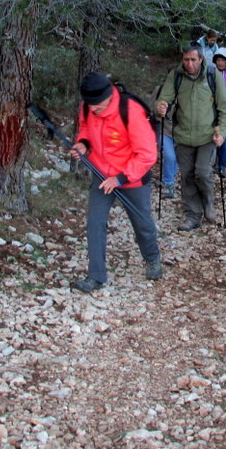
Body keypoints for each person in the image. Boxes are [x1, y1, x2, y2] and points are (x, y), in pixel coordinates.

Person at [69, 73, 162, 293]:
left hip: (132, 178)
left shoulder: (130, 111)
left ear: (109, 95)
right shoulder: (89, 106)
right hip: (101, 175)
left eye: (97, 108)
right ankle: (95, 276)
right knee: (95, 223)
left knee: (142, 223)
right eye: (90, 106)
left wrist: (120, 178)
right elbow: (85, 129)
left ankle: (152, 258)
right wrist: (83, 144)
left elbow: (147, 155)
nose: (93, 111)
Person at [156, 47, 226, 231]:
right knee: (188, 177)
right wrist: (161, 106)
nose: (189, 64)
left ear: (200, 59)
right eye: (186, 60)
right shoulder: (176, 76)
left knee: (203, 172)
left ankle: (208, 203)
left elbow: (225, 108)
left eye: (193, 60)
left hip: (207, 136)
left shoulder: (213, 75)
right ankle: (193, 215)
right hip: (183, 136)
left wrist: (221, 132)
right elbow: (163, 98)